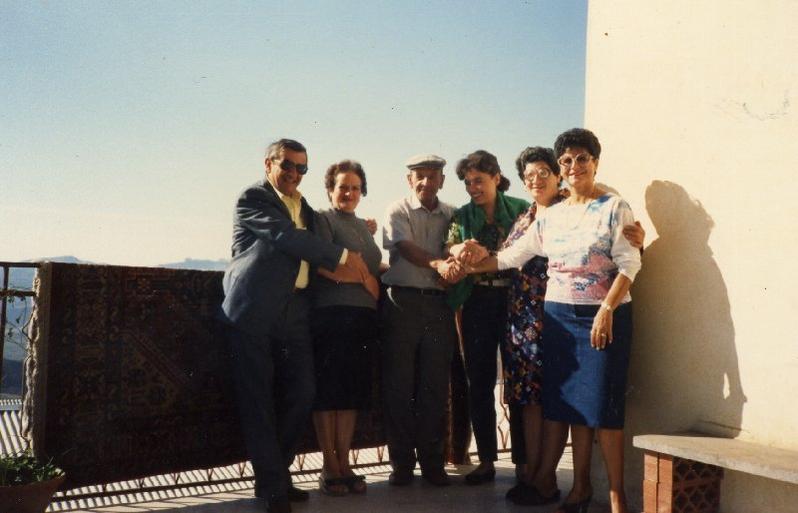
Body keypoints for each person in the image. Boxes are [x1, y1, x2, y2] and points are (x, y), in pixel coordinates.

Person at [464, 129, 641, 513]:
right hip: (559, 317)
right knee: (574, 406)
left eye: (582, 159)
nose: (574, 166)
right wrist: (468, 265)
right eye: (567, 160)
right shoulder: (552, 216)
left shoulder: (615, 207)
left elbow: (630, 263)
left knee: (606, 410)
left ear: (595, 163)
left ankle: (617, 497)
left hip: (603, 316)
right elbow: (512, 256)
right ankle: (579, 489)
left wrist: (607, 309)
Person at [220, 138, 369, 513]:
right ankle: (274, 487)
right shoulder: (254, 198)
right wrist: (343, 255)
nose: (294, 173)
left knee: (302, 393)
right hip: (252, 311)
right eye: (287, 165)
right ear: (268, 163)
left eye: (301, 168)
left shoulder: (306, 209)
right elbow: (286, 238)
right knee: (258, 401)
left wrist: (361, 234)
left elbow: (321, 239)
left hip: (295, 312)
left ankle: (276, 474)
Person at [445, 150, 530, 485]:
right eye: (467, 183)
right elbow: (450, 246)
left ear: (496, 177)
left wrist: (488, 254)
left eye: (479, 181)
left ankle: (523, 461)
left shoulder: (522, 209)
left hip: (515, 302)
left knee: (517, 382)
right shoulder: (463, 215)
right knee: (479, 382)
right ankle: (486, 461)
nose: (473, 188)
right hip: (477, 302)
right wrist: (458, 249)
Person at [380, 154, 462, 487]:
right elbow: (405, 248)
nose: (426, 182)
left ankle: (433, 463)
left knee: (434, 387)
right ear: (409, 180)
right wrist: (439, 265)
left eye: (433, 176)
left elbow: (458, 250)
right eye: (420, 176)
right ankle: (401, 465)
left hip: (439, 307)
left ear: (442, 180)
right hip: (402, 304)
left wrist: (455, 270)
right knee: (399, 386)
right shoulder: (397, 210)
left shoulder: (453, 214)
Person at [310, 160, 383, 496]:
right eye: (343, 187)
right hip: (331, 314)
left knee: (351, 392)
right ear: (330, 190)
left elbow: (370, 263)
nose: (349, 193)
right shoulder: (322, 219)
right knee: (329, 393)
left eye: (355, 188)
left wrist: (372, 274)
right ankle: (329, 466)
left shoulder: (363, 227)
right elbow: (323, 265)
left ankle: (345, 463)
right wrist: (366, 279)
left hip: (362, 317)